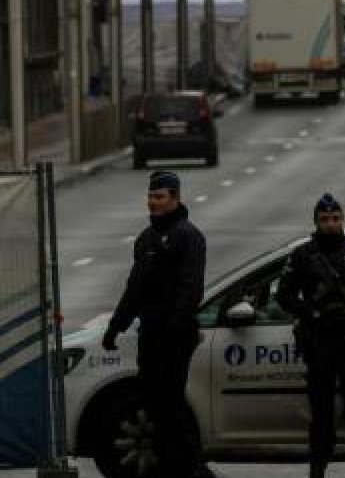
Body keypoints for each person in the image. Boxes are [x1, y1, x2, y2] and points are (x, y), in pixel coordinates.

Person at [103, 171, 210, 478]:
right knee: (155, 405)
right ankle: (169, 467)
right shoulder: (146, 239)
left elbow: (191, 288)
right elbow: (135, 288)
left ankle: (193, 469)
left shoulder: (188, 236)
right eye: (150, 196)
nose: (153, 202)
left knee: (171, 402)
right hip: (151, 332)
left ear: (175, 198)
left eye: (159, 197)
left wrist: (174, 326)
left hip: (175, 334)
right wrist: (116, 326)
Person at [276, 194, 345, 478]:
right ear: (316, 222)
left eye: (335, 218)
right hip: (319, 343)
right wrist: (312, 312)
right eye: (324, 219)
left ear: (343, 220)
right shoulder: (303, 255)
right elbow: (284, 296)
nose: (330, 224)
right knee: (321, 412)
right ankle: (318, 468)